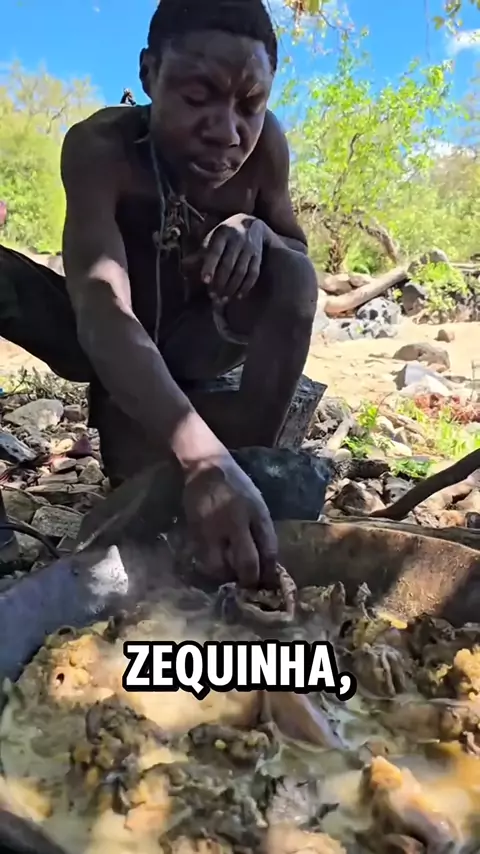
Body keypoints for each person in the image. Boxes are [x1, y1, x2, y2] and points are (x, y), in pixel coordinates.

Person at [0, 0, 318, 588]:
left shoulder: (265, 149)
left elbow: (296, 255)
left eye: (250, 105)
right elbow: (101, 307)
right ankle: (197, 463)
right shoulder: (102, 149)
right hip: (100, 344)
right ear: (149, 73)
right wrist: (199, 455)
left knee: (292, 274)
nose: (227, 131)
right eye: (198, 97)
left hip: (201, 344)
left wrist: (257, 232)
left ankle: (247, 467)